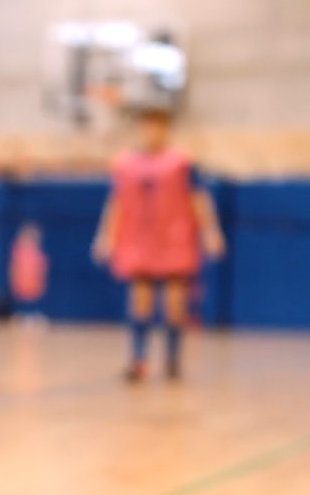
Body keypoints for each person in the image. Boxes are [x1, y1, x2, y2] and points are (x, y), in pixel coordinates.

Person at [92, 106, 225, 382]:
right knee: (140, 300)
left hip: (173, 239)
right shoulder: (125, 164)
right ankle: (138, 360)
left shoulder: (181, 162)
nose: (151, 132)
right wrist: (106, 236)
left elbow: (198, 198)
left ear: (166, 129)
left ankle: (172, 360)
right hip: (139, 238)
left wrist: (210, 232)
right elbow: (115, 202)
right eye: (146, 126)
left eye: (157, 126)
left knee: (175, 302)